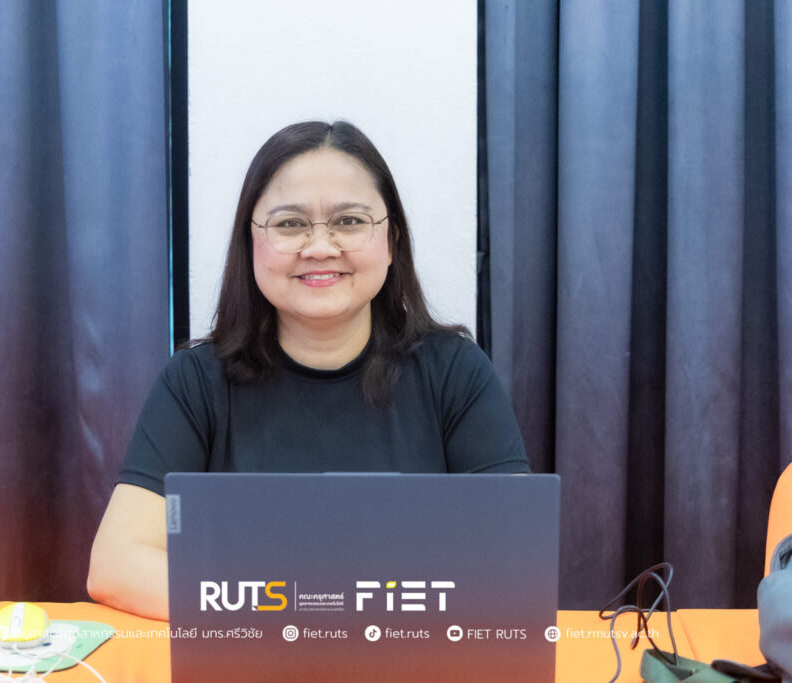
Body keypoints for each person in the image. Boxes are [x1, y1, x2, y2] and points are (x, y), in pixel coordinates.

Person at [87, 121, 529, 620]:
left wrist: (341, 616)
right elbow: (117, 564)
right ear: (251, 242)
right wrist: (293, 613)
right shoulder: (195, 381)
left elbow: (513, 560)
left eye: (349, 221)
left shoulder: (454, 371)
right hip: (252, 650)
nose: (320, 247)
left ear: (390, 240)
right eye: (290, 224)